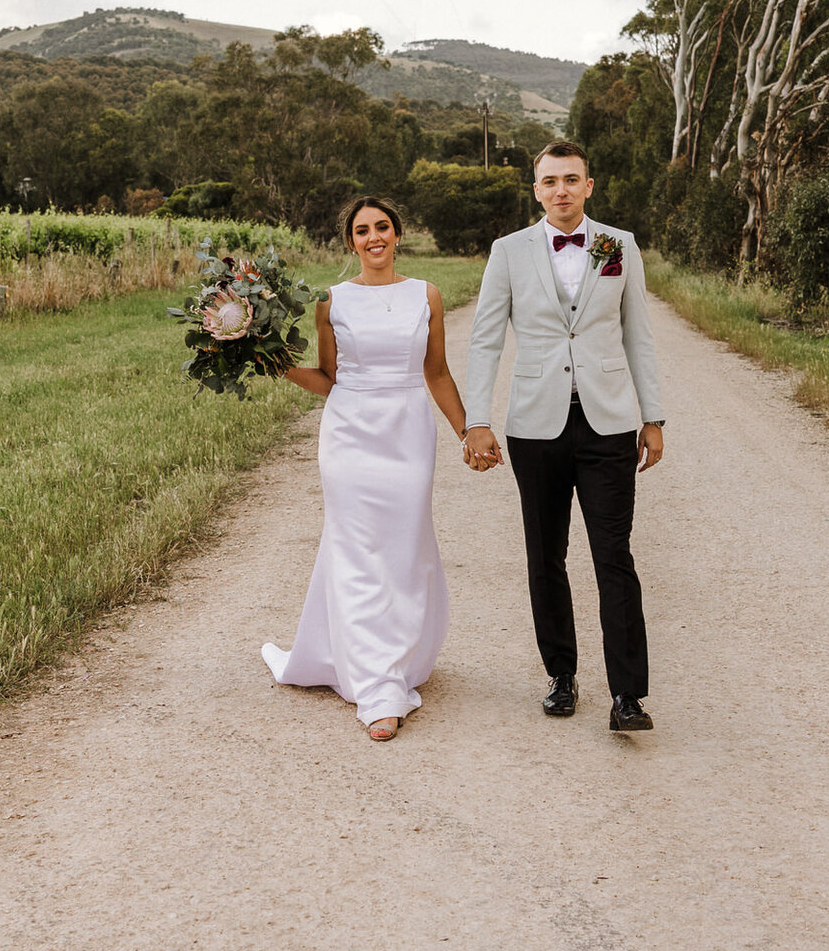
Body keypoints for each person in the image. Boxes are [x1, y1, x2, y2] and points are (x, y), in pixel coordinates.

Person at [264, 194, 493, 741]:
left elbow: (436, 372)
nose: (374, 238)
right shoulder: (331, 301)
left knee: (403, 550)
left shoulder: (427, 296)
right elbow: (329, 378)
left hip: (409, 432)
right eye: (363, 230)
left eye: (383, 227)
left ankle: (392, 656)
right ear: (351, 242)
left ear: (398, 234)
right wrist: (277, 365)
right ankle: (378, 687)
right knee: (356, 551)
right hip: (349, 434)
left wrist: (469, 430)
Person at [462, 141, 665, 732]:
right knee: (544, 556)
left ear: (590, 185)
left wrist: (653, 415)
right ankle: (561, 675)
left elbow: (639, 335)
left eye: (571, 180)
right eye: (550, 181)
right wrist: (478, 419)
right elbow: (485, 340)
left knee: (614, 557)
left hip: (608, 424)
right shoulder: (508, 252)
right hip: (535, 425)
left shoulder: (617, 245)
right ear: (536, 190)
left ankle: (629, 695)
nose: (561, 191)